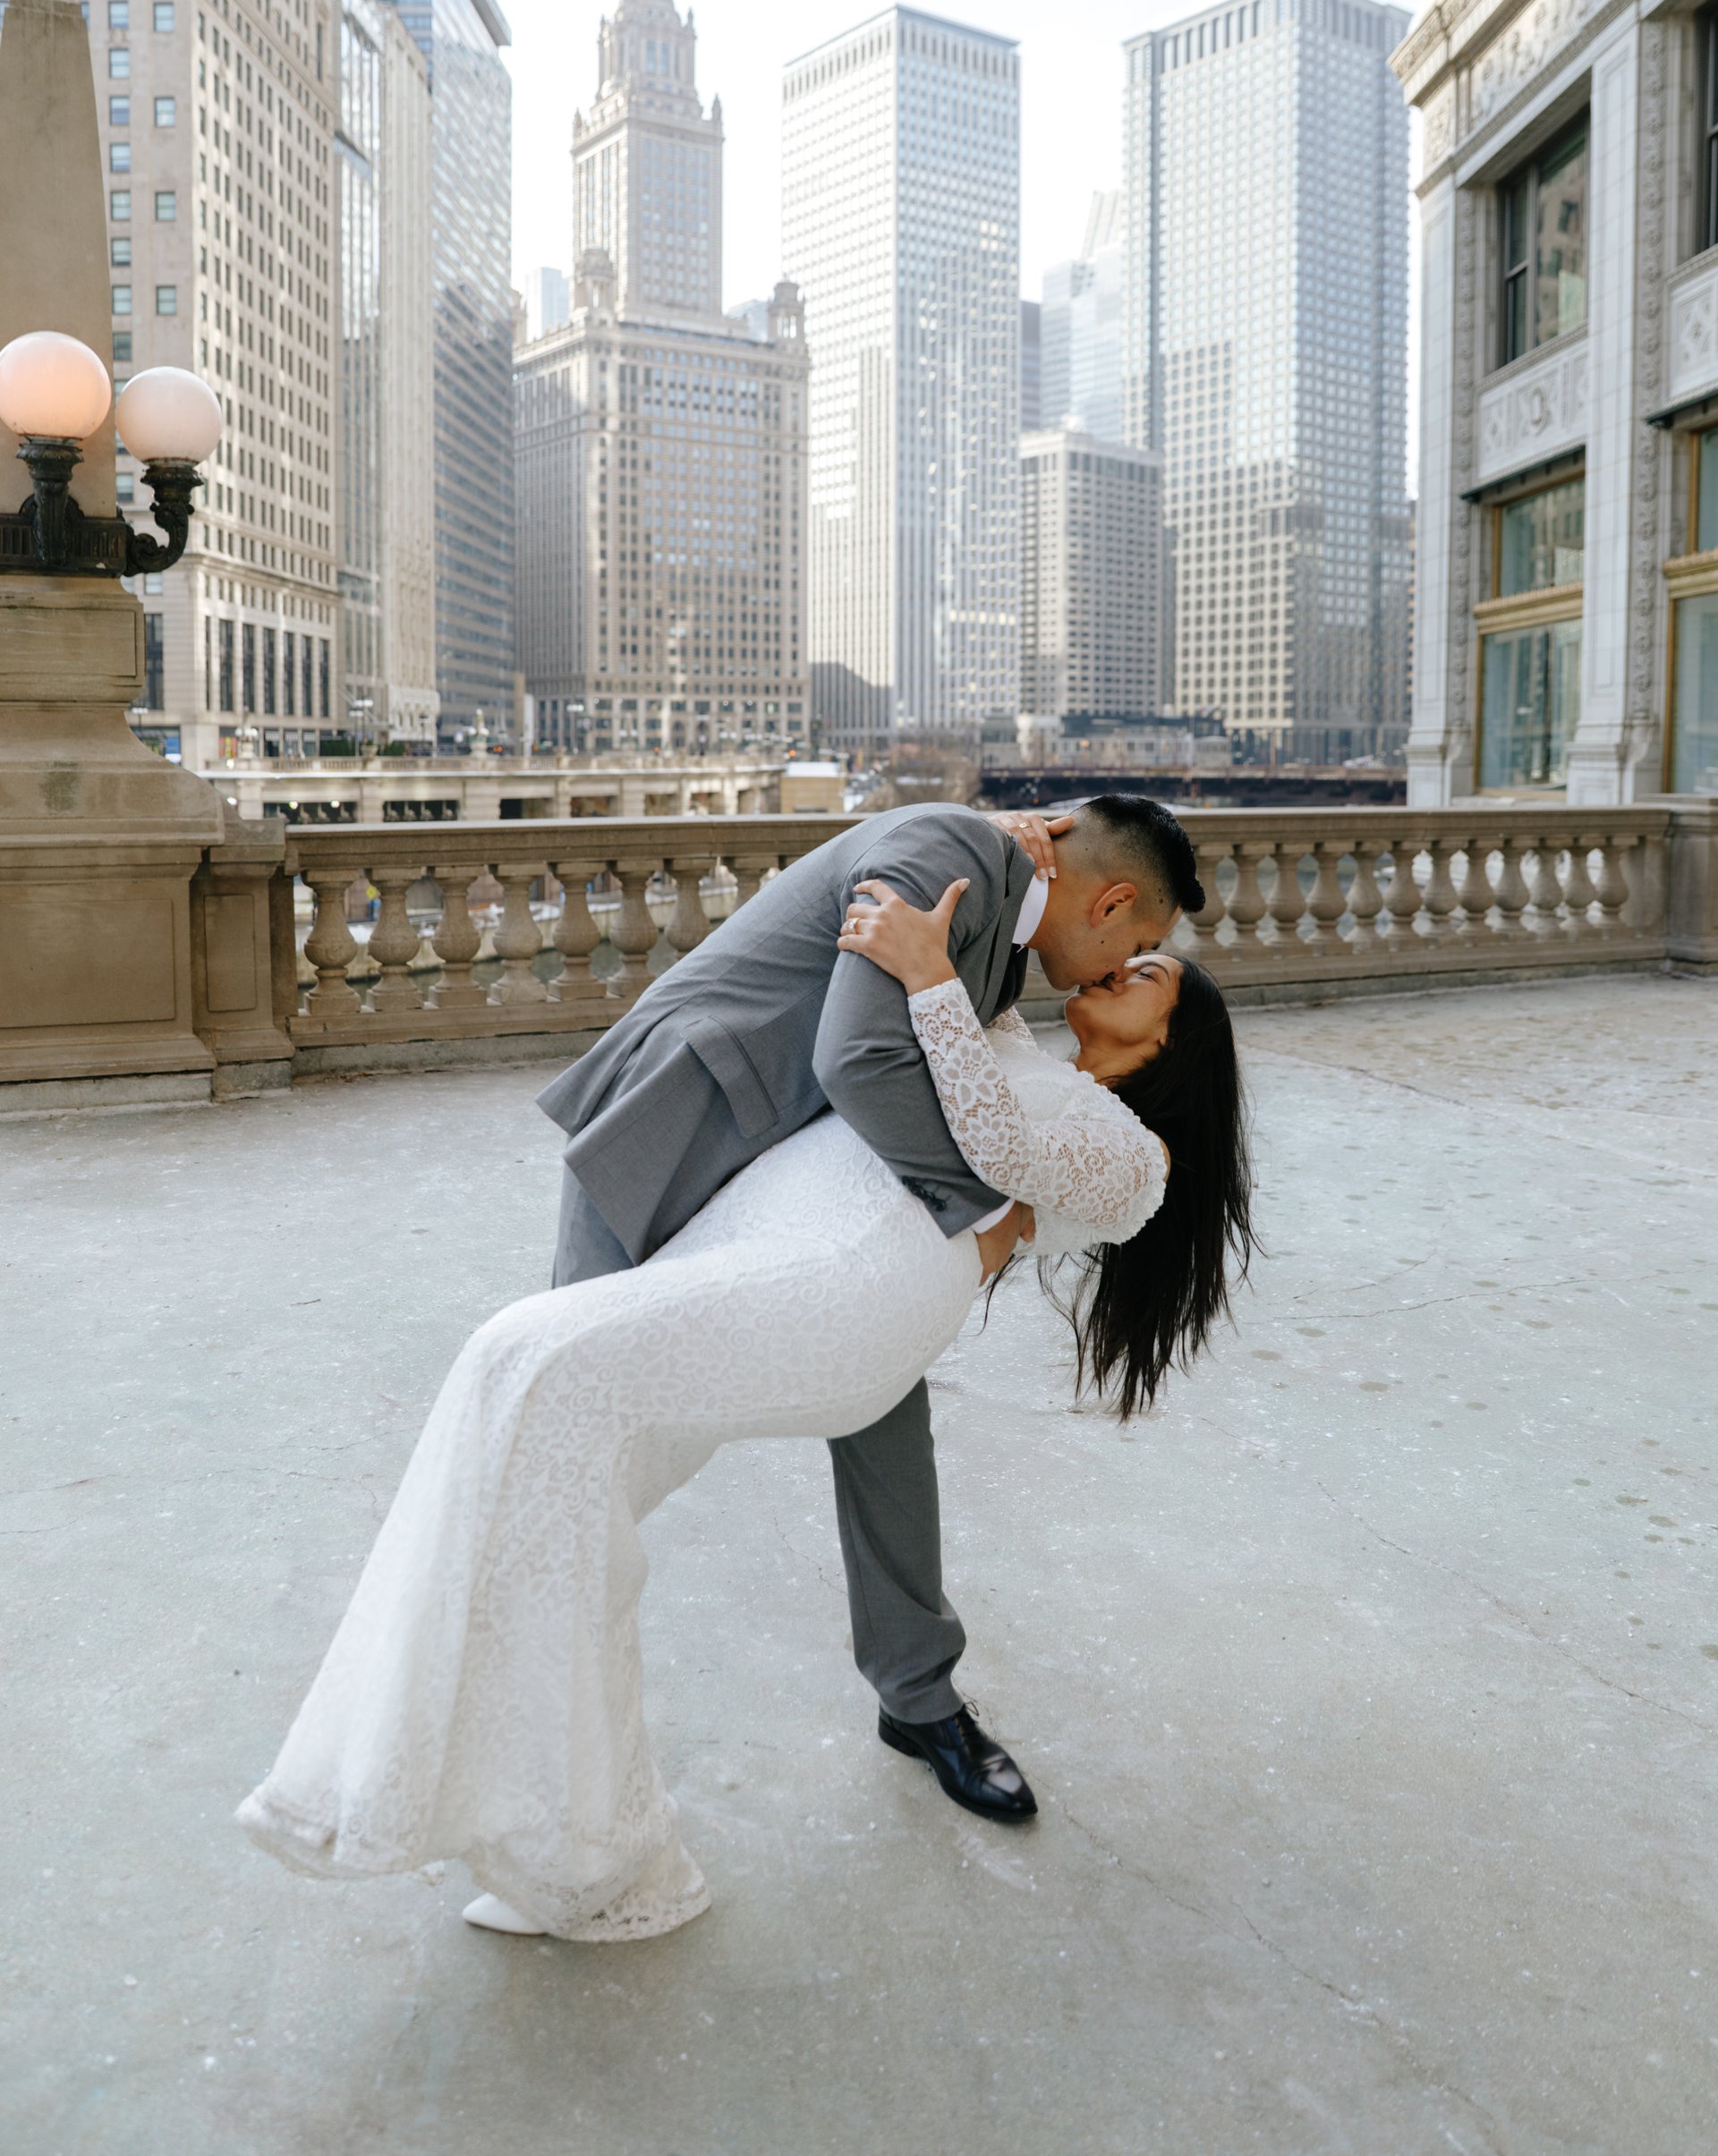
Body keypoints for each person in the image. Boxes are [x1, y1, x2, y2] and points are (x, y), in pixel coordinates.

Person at [237, 799, 1252, 1941]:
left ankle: (915, 1696)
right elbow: (862, 1057)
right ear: (1110, 900)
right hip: (693, 1125)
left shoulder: (1013, 947)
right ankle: (521, 1780)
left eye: (1142, 969)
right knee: (564, 1446)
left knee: (850, 1419)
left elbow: (966, 1072)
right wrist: (977, 1215)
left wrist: (952, 1220)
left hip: (836, 1230)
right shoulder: (953, 859)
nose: (1115, 970)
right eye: (1135, 947)